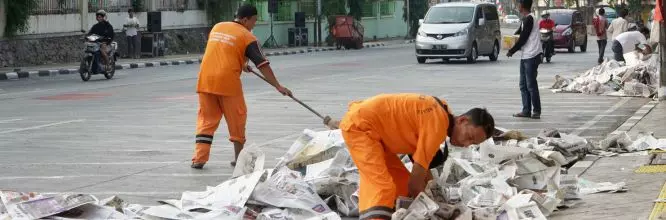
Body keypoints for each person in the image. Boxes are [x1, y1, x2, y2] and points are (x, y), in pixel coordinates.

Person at [333, 93, 494, 220]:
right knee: (383, 187)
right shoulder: (438, 122)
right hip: (361, 128)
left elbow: (422, 168)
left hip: (377, 136)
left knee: (401, 185)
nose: (466, 144)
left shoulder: (441, 114)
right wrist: (433, 210)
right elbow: (416, 182)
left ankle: (374, 211)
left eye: (472, 144)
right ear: (462, 120)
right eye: (470, 137)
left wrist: (433, 192)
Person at [191, 4, 292, 169]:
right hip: (227, 83)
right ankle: (239, 159)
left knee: (206, 121)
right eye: (254, 21)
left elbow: (224, 50)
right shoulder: (247, 37)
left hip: (205, 80)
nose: (254, 25)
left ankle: (199, 159)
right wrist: (278, 86)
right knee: (237, 119)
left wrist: (242, 63)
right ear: (245, 19)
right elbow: (262, 65)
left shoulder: (217, 27)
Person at [507, 0, 542, 119]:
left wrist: (512, 50)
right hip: (526, 55)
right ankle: (526, 110)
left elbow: (523, 38)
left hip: (532, 55)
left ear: (522, 6)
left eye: (518, 5)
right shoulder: (526, 19)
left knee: (531, 85)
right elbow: (520, 33)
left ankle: (536, 111)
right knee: (523, 85)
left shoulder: (530, 19)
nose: (517, 7)